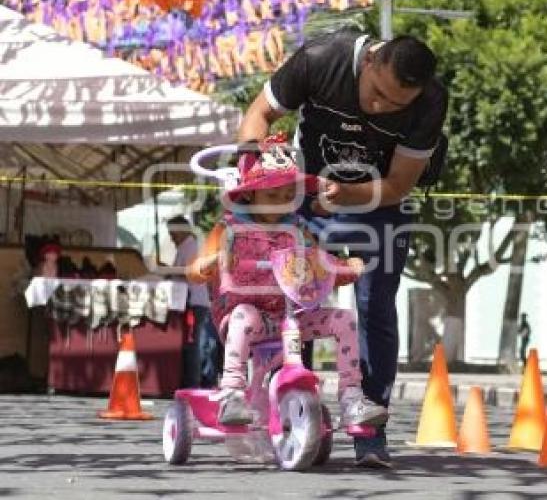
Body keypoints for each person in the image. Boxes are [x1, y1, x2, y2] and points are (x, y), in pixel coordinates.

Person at [237, 28, 448, 468]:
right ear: (370, 61)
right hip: (305, 195)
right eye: (377, 94)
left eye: (395, 105)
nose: (380, 108)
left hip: (378, 204)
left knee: (374, 307)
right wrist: (257, 173)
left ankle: (369, 430)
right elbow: (257, 115)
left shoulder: (430, 101)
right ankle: (295, 416)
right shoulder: (319, 59)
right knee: (293, 302)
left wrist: (346, 195)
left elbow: (397, 185)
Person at [187, 135, 388, 433]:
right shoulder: (231, 227)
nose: (282, 202)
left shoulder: (297, 228)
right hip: (249, 313)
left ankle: (351, 397)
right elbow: (194, 271)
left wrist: (345, 267)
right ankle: (232, 391)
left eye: (288, 194)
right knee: (243, 317)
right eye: (272, 195)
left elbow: (318, 260)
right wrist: (209, 263)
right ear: (250, 195)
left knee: (343, 320)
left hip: (291, 316)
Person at [167, 215, 221, 389]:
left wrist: (169, 271)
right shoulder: (186, 246)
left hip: (197, 301)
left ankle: (199, 382)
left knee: (198, 344)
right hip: (191, 301)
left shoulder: (192, 246)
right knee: (197, 344)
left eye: (172, 233)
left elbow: (193, 271)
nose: (171, 237)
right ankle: (197, 380)